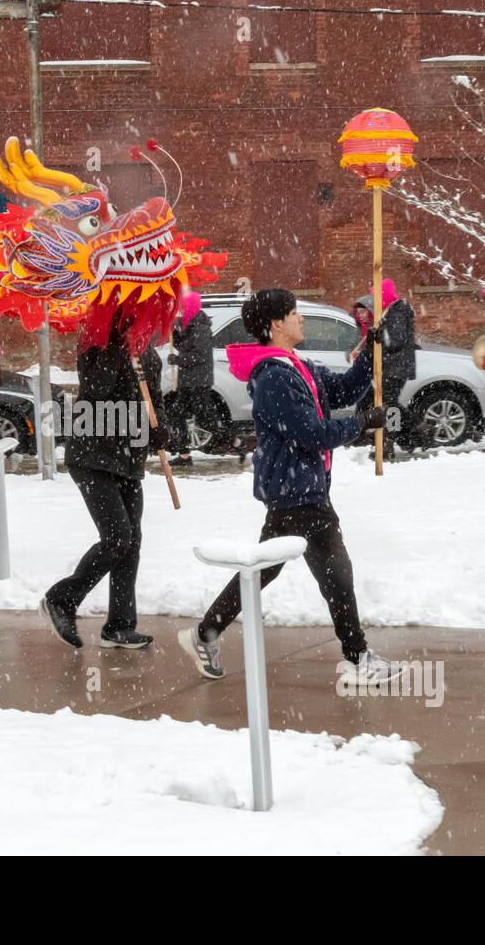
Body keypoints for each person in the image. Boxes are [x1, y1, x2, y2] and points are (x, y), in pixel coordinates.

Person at [177, 288, 403, 684]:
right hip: (295, 491)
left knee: (272, 569)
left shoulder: (296, 366)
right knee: (333, 573)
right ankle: (358, 658)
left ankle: (204, 633)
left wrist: (371, 352)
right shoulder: (274, 378)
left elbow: (345, 390)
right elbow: (311, 433)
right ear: (276, 324)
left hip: (303, 488)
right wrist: (362, 424)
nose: (301, 319)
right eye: (295, 313)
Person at [39, 313, 170, 651]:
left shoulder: (148, 352)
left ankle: (120, 625)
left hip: (128, 458)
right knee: (116, 538)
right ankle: (62, 599)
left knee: (132, 541)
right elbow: (96, 392)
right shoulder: (95, 343)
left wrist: (161, 428)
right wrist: (118, 348)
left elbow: (152, 399)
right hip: (94, 455)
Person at [352, 278, 416, 459]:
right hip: (390, 366)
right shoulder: (391, 309)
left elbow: (395, 340)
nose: (375, 300)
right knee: (388, 404)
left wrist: (380, 335)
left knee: (390, 406)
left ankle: (390, 442)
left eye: (377, 295)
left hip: (397, 367)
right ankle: (412, 430)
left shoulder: (399, 310)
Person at [167, 292, 217, 468]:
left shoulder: (201, 327)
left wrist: (178, 360)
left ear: (191, 307)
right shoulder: (187, 324)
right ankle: (185, 455)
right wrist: (173, 329)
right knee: (176, 414)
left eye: (184, 305)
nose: (181, 309)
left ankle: (235, 442)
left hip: (198, 382)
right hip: (188, 382)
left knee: (207, 420)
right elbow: (182, 346)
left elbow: (199, 355)